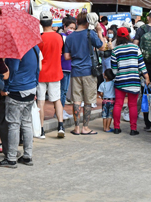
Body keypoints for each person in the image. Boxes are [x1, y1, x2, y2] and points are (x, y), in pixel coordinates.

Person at [0, 45, 41, 168]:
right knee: (26, 123)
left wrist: (6, 87)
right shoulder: (35, 48)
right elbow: (38, 68)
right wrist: (35, 85)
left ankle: (11, 158)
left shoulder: (15, 49)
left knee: (13, 124)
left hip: (16, 90)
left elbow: (12, 69)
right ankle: (27, 155)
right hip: (31, 89)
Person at [63, 12, 105, 135]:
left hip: (75, 71)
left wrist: (77, 56)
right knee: (88, 100)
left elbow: (66, 56)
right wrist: (99, 32)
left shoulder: (70, 37)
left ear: (77, 22)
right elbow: (102, 47)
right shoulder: (90, 33)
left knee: (76, 100)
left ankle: (76, 128)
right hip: (88, 71)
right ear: (88, 22)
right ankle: (85, 128)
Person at [111, 26, 149, 135]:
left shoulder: (115, 50)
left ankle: (117, 128)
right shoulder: (135, 48)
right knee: (132, 105)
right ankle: (133, 129)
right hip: (134, 81)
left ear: (117, 36)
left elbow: (114, 70)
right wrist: (146, 77)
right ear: (128, 35)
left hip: (120, 81)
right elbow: (142, 65)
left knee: (118, 104)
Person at [37, 11, 65, 139]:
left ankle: (41, 130)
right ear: (52, 22)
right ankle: (61, 126)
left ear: (40, 23)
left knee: (40, 102)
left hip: (41, 73)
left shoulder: (39, 38)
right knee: (57, 100)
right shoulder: (59, 37)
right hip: (55, 72)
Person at [59, 17, 76, 119]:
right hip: (63, 66)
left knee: (64, 90)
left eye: (74, 28)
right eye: (70, 27)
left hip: (69, 66)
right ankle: (60, 111)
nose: (72, 30)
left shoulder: (72, 37)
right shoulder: (61, 36)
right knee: (62, 90)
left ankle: (61, 110)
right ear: (65, 27)